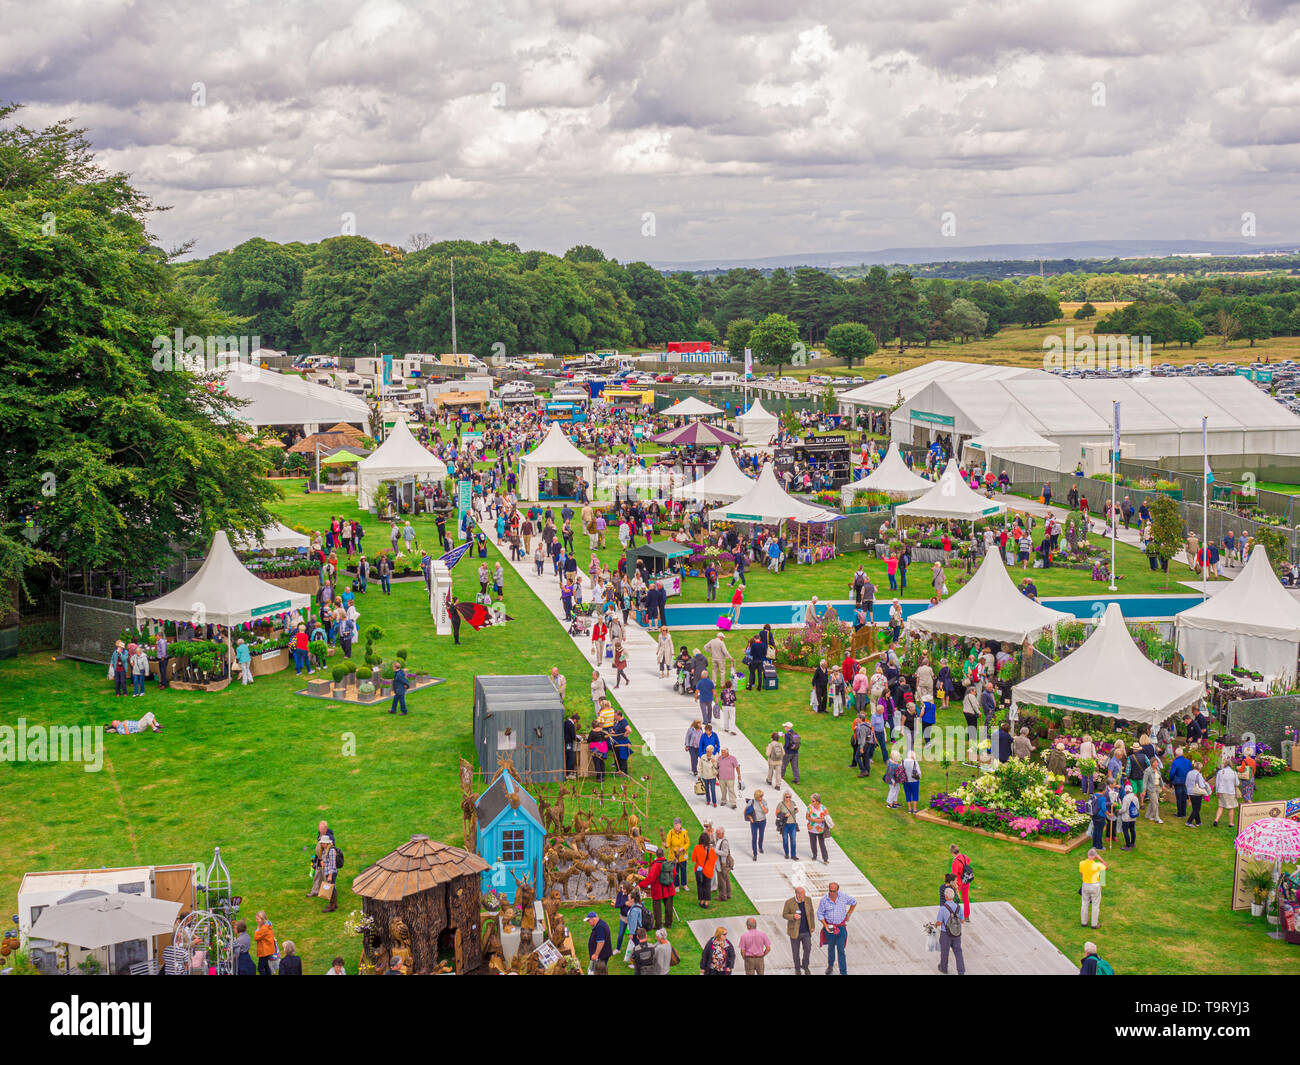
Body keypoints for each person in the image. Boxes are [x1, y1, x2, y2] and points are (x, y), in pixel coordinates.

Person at [817, 883, 857, 975]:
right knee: (831, 948)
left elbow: (854, 902)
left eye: (833, 891)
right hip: (830, 927)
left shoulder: (843, 897)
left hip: (841, 927)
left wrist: (848, 914)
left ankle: (843, 972)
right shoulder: (824, 900)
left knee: (841, 950)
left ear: (837, 890)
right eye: (830, 891)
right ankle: (830, 966)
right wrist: (825, 925)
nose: (831, 893)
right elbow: (820, 914)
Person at [639, 850, 676, 930]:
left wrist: (641, 885)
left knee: (657, 908)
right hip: (669, 888)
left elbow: (650, 878)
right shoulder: (669, 863)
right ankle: (669, 924)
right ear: (663, 854)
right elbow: (674, 874)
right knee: (669, 907)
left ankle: (659, 925)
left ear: (656, 855)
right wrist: (670, 883)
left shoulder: (656, 865)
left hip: (658, 889)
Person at [783, 886, 815, 975]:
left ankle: (805, 966)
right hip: (794, 932)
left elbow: (811, 913)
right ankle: (797, 969)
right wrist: (793, 916)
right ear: (797, 894)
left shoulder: (808, 900)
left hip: (806, 931)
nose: (804, 896)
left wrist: (812, 926)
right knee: (795, 951)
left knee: (808, 949)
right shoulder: (789, 902)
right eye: (802, 894)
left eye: (804, 894)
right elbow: (784, 914)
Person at [937, 886, 965, 976]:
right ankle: (961, 972)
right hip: (957, 933)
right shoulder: (958, 907)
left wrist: (934, 925)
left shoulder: (943, 908)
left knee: (945, 952)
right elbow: (962, 921)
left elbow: (939, 922)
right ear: (953, 897)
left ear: (945, 897)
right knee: (958, 952)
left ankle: (944, 968)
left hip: (946, 934)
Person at [1079, 849, 1108, 930]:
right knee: (1095, 905)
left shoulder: (1081, 863)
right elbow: (1106, 867)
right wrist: (1100, 859)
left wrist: (1085, 880)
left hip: (1085, 884)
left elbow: (1081, 874)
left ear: (1088, 854)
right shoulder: (1098, 865)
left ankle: (1083, 922)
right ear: (1095, 856)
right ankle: (1094, 924)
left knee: (1084, 903)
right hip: (1095, 886)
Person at [691, 832, 718, 908]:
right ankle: (706, 902)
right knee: (707, 886)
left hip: (699, 870)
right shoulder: (711, 849)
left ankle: (701, 900)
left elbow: (693, 859)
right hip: (708, 871)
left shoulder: (697, 848)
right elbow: (714, 859)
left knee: (700, 886)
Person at [1212, 760, 1240, 829]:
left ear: (1224, 764)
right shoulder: (1234, 773)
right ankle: (1230, 823)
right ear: (1231, 765)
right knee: (1231, 808)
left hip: (1221, 791)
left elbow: (1217, 783)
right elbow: (1237, 783)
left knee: (1221, 806)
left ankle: (1216, 820)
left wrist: (1217, 792)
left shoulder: (1220, 772)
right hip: (1230, 792)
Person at [950, 844, 972, 921]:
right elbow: (968, 860)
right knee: (965, 898)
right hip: (966, 880)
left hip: (959, 883)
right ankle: (966, 916)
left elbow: (954, 875)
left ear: (952, 853)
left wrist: (953, 884)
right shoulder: (964, 856)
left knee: (953, 898)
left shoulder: (955, 862)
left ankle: (953, 914)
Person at [806, 793, 830, 863]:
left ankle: (825, 859)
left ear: (817, 801)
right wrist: (814, 820)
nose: (811, 802)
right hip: (811, 829)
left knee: (822, 844)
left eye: (813, 801)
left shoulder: (823, 808)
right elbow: (807, 817)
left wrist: (821, 820)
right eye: (811, 801)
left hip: (821, 830)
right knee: (813, 844)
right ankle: (814, 855)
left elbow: (827, 818)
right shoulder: (809, 807)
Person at [747, 788, 769, 860]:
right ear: (756, 797)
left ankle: (760, 846)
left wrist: (761, 804)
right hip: (754, 822)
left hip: (762, 821)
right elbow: (746, 811)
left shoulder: (764, 801)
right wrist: (750, 818)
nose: (761, 798)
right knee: (754, 837)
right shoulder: (751, 802)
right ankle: (755, 853)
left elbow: (766, 812)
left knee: (761, 835)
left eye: (762, 796)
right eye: (760, 796)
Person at [1117, 782, 1140, 850]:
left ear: (1126, 791)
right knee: (1132, 830)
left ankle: (1128, 846)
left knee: (1125, 831)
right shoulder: (1135, 797)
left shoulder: (1126, 798)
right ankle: (1132, 843)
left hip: (1126, 818)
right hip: (1133, 817)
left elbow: (1124, 809)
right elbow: (1137, 807)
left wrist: (1119, 812)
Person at [254, 911, 277, 976]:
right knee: (266, 966)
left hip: (265, 951)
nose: (256, 921)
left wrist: (258, 928)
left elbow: (256, 937)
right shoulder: (268, 925)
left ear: (263, 919)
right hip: (268, 950)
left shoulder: (263, 928)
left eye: (258, 919)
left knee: (260, 968)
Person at [714, 828, 733, 902]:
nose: (717, 835)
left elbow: (725, 853)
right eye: (716, 833)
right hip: (721, 863)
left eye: (718, 833)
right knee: (726, 879)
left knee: (721, 881)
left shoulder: (724, 842)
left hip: (722, 864)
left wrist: (716, 851)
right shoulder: (720, 840)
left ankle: (723, 896)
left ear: (722, 834)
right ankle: (728, 894)